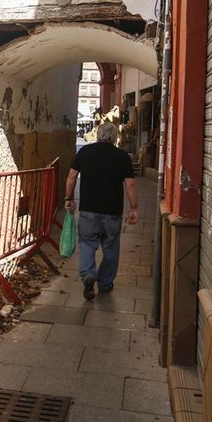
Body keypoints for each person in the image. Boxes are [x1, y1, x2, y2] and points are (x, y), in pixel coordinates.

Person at [64, 123, 138, 300]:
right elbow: (130, 184)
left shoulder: (85, 152)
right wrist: (134, 208)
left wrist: (68, 198)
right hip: (112, 211)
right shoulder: (122, 156)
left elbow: (72, 176)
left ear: (98, 135)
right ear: (114, 137)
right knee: (111, 247)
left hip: (88, 209)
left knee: (87, 244)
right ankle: (105, 283)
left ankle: (88, 275)